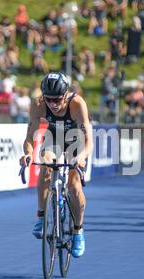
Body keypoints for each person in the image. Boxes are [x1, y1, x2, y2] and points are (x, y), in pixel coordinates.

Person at [19, 72, 93, 258]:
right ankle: (42, 216)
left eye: (57, 99)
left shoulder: (77, 104)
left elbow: (89, 142)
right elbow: (29, 138)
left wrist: (82, 157)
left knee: (74, 185)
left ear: (66, 94)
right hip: (54, 139)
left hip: (77, 141)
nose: (52, 104)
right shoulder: (38, 104)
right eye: (49, 99)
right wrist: (27, 154)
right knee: (45, 166)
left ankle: (78, 231)